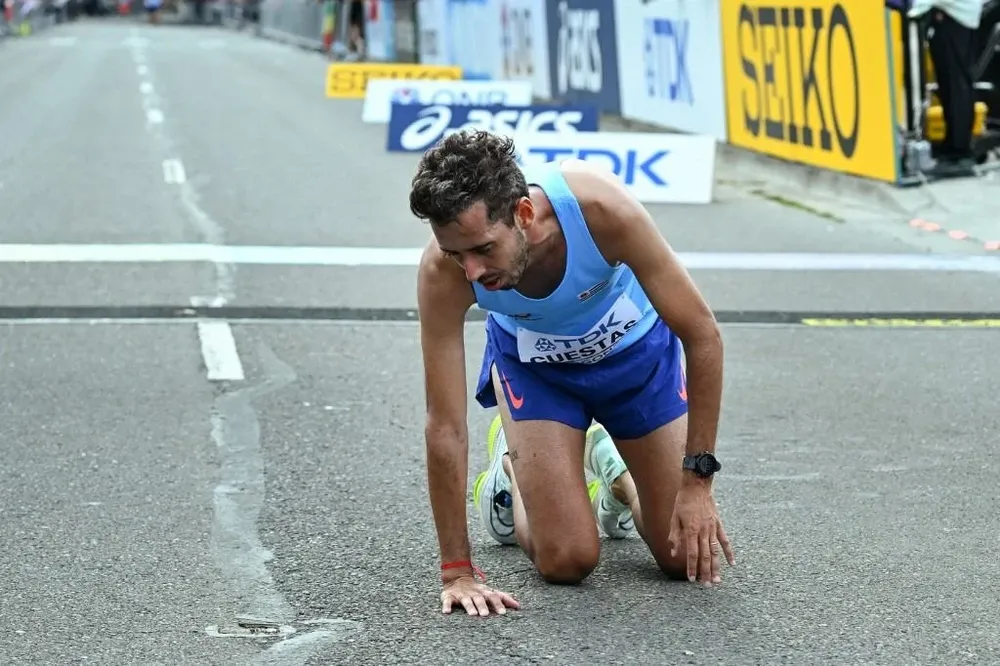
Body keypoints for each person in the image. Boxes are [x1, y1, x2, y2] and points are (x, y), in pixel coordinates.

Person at [411, 130, 736, 618]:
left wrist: (698, 483)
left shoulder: (601, 210)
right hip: (539, 375)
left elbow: (703, 335)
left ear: (523, 214)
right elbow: (445, 425)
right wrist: (456, 570)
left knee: (680, 557)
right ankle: (510, 470)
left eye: (482, 249)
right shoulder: (443, 272)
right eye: (457, 254)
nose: (471, 273)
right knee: (567, 560)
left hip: (636, 364)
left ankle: (616, 479)